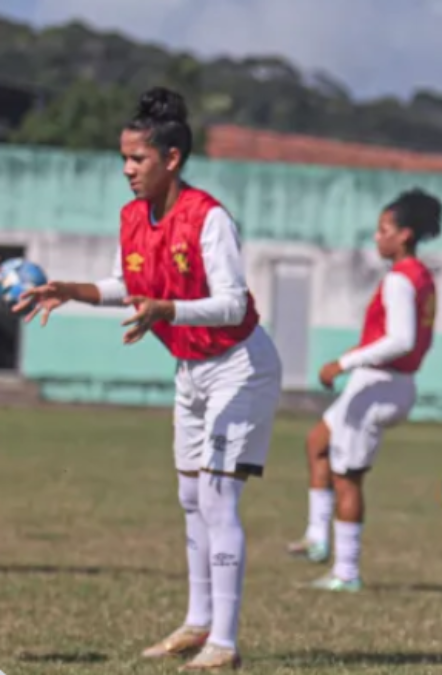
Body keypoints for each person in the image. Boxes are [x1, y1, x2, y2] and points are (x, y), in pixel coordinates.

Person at [16, 86, 282, 671]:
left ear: (172, 158)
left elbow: (234, 304)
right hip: (191, 368)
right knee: (191, 498)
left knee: (216, 498)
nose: (127, 170)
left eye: (137, 158)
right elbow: (124, 285)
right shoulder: (133, 217)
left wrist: (167, 310)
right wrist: (73, 290)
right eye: (124, 158)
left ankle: (225, 643)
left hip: (241, 366)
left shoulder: (209, 218)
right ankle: (196, 623)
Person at [285, 189, 441, 591]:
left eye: (383, 229)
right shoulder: (421, 276)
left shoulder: (400, 280)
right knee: (317, 442)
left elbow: (402, 339)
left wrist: (345, 361)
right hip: (387, 382)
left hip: (380, 384)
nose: (377, 237)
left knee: (348, 477)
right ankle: (318, 538)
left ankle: (346, 572)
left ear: (404, 234)